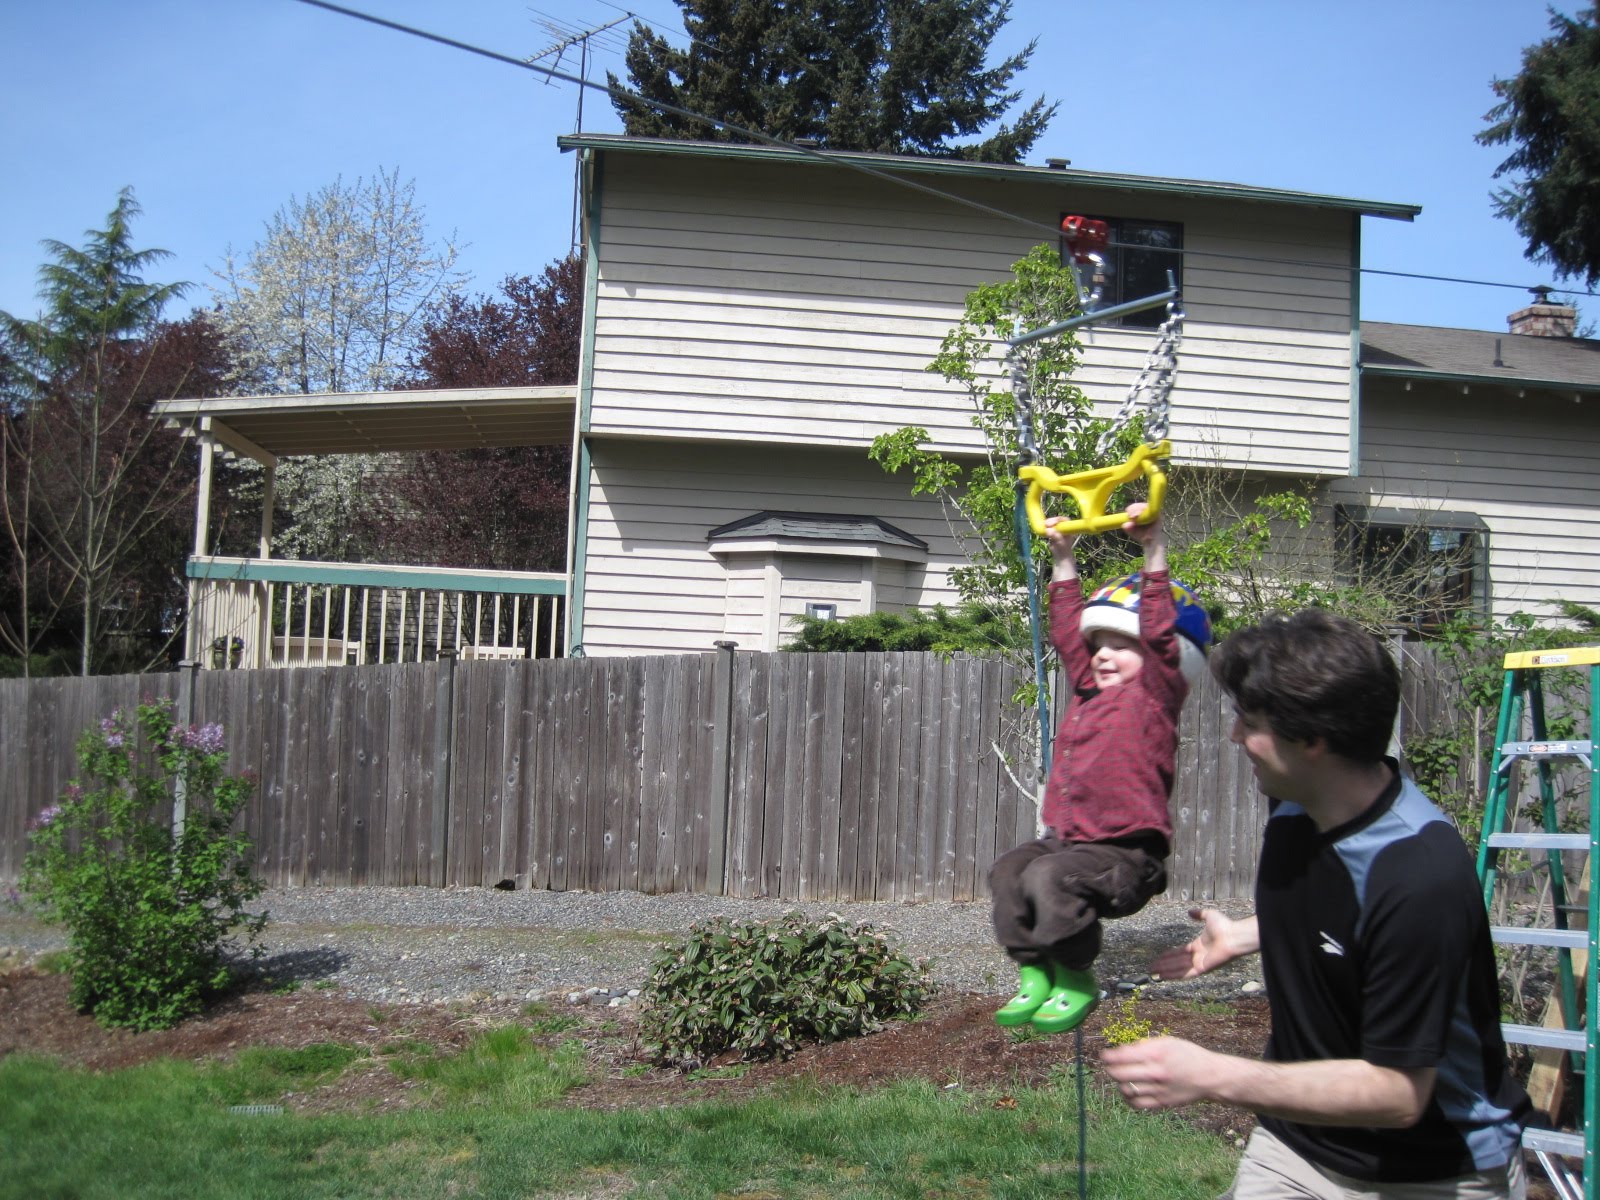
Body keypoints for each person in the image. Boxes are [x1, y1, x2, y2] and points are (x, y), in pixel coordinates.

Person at [1102, 608, 1530, 1199]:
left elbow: (1399, 1093)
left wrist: (1213, 1074)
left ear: (1313, 740)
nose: (1233, 738)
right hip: (1295, 1150)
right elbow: (1342, 910)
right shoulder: (1299, 802)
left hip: (1432, 1171)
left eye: (1247, 722)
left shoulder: (1417, 876)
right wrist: (1253, 933)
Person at [989, 501, 1212, 1033]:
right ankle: (1036, 967)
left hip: (1127, 854)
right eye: (1100, 647)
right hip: (1070, 841)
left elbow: (1158, 633)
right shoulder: (1088, 693)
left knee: (1049, 878)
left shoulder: (1155, 695)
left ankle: (1075, 973)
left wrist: (1153, 551)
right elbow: (1069, 635)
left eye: (1121, 645)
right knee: (1008, 872)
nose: (1104, 656)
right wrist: (1062, 558)